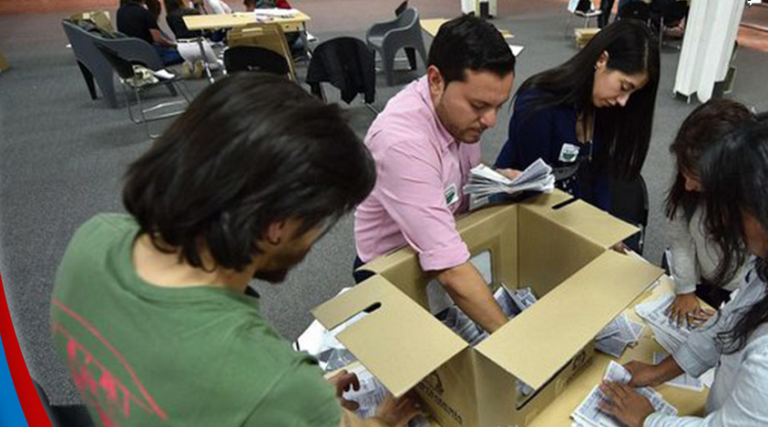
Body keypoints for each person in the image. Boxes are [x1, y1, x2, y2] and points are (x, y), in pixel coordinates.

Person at [50, 73, 420, 427]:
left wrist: (297, 407)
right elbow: (247, 381)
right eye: (319, 223)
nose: (313, 241)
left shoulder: (92, 240)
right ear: (278, 226)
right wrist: (380, 419)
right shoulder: (269, 378)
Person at [599, 119, 768, 427]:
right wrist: (658, 372)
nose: (725, 218)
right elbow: (728, 324)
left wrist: (648, 420)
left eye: (735, 206)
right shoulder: (762, 266)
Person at [354, 15, 516, 334]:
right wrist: (515, 342)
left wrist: (496, 177)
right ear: (436, 80)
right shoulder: (401, 142)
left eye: (499, 106)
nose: (491, 121)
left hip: (439, 244)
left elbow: (451, 174)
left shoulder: (457, 117)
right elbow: (451, 269)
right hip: (391, 266)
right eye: (479, 105)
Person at [495, 19, 660, 211]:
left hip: (565, 197)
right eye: (623, 87)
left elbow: (600, 175)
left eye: (633, 92)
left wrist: (603, 221)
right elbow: (535, 192)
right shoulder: (539, 104)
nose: (624, 101)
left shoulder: (604, 108)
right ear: (601, 60)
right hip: (523, 202)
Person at [665, 99, 754, 327]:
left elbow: (758, 275)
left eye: (696, 178)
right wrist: (685, 289)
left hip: (743, 294)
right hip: (701, 281)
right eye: (684, 172)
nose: (687, 185)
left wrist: (732, 313)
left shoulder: (754, 209)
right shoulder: (690, 188)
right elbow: (680, 239)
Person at [117, 0, 184, 66]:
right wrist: (174, 44)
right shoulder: (145, 13)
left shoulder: (120, 12)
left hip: (130, 52)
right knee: (182, 54)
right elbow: (158, 39)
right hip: (148, 52)